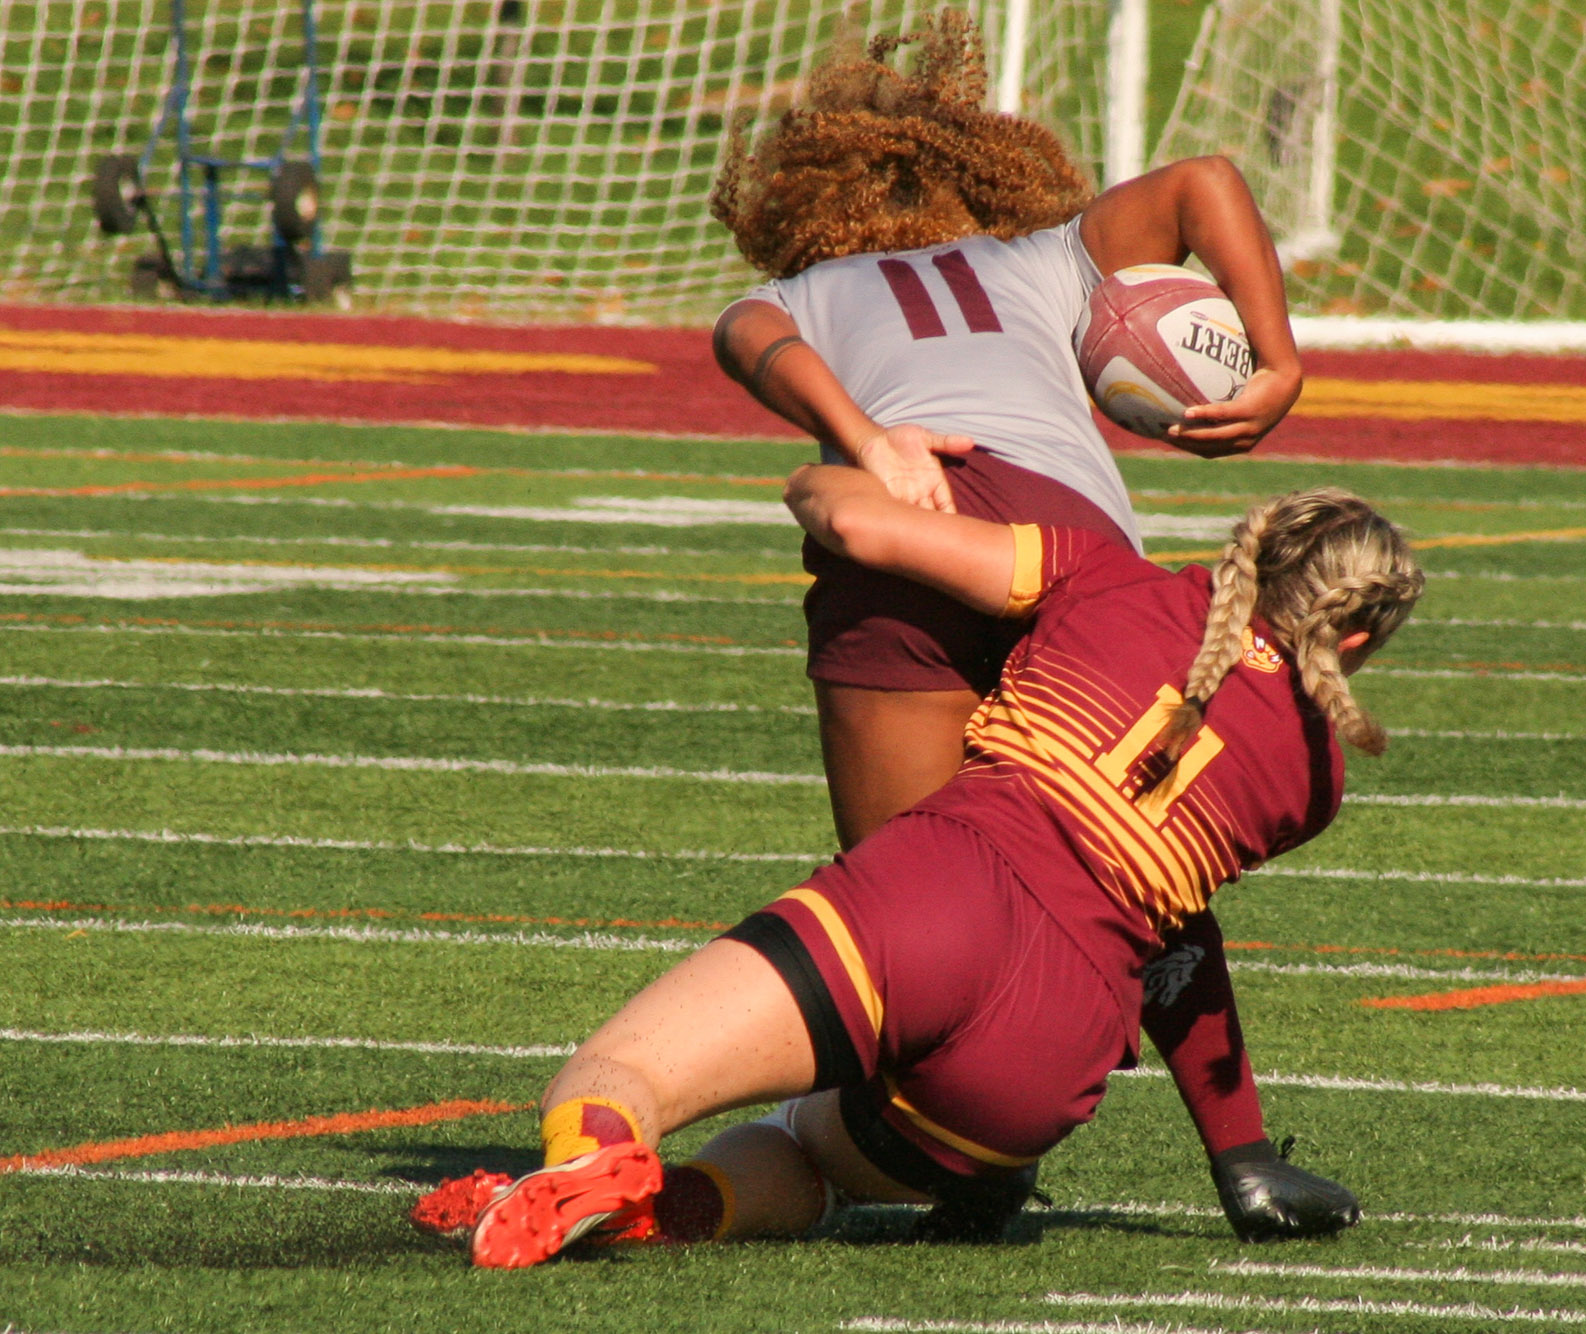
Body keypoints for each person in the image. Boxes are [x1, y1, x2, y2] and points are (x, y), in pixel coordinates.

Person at [424, 469, 1422, 1268]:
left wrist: (844, 460)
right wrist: (1238, 1152)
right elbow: (1174, 937)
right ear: (1350, 637)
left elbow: (856, 525)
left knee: (615, 1073)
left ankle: (590, 1162)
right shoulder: (1315, 779)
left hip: (940, 893)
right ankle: (673, 1207)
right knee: (816, 1154)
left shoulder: (1106, 573)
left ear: (1249, 544)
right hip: (1047, 1050)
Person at [704, 9, 1336, 1235]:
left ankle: (977, 1166)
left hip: (910, 528)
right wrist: (1277, 360)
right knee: (1127, 850)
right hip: (1064, 541)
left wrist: (868, 435)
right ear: (986, 175)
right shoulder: (1040, 257)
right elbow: (1206, 179)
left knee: (918, 892)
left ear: (796, 206)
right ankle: (1245, 1153)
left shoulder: (806, 284)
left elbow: (742, 331)